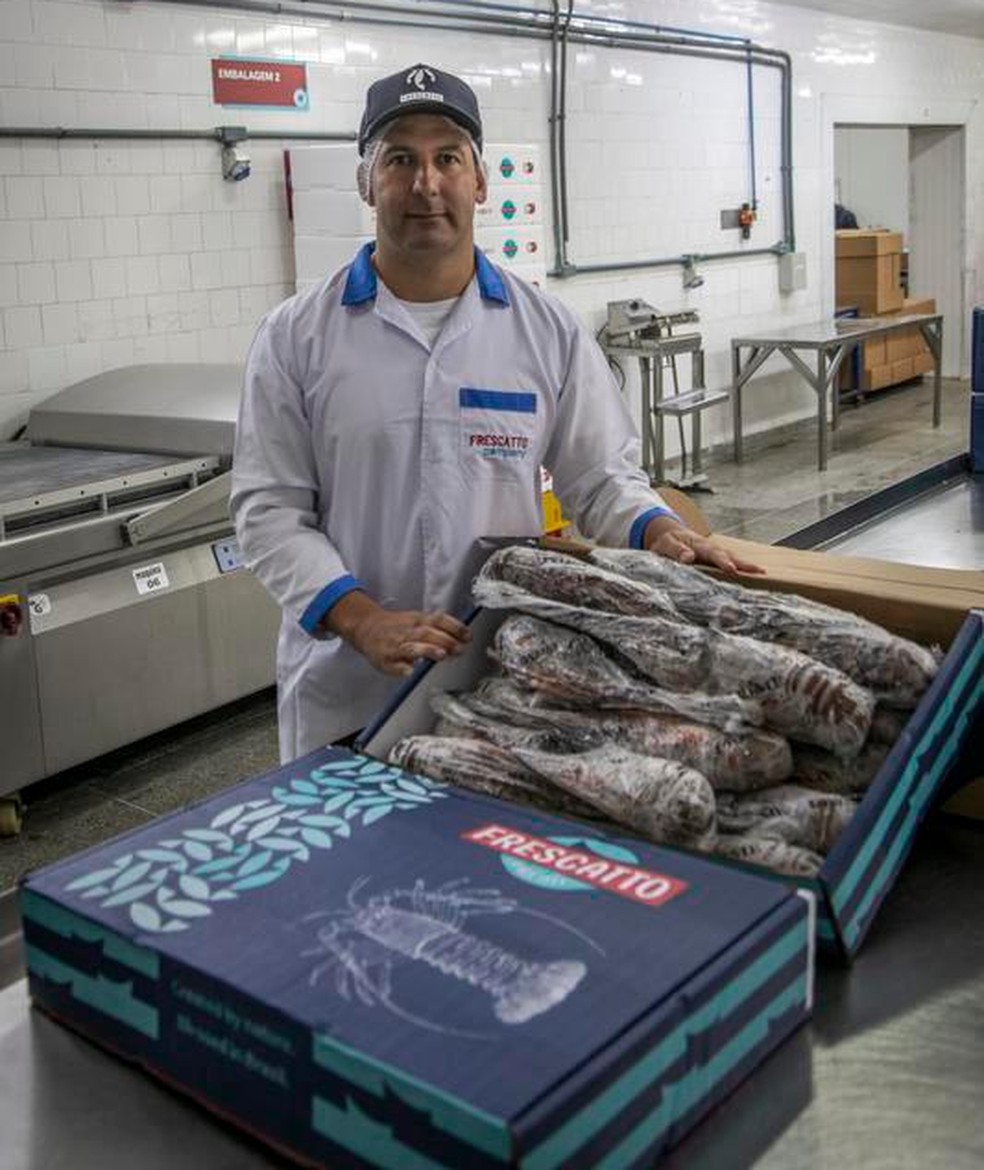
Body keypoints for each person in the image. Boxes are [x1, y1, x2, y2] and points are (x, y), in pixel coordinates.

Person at [231, 62, 761, 763]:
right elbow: (268, 513)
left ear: (480, 181)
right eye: (399, 160)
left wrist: (658, 529)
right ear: (367, 183)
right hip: (345, 689)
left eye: (447, 157)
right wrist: (363, 621)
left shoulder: (544, 330)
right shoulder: (296, 335)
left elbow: (601, 479)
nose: (426, 183)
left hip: (503, 686)